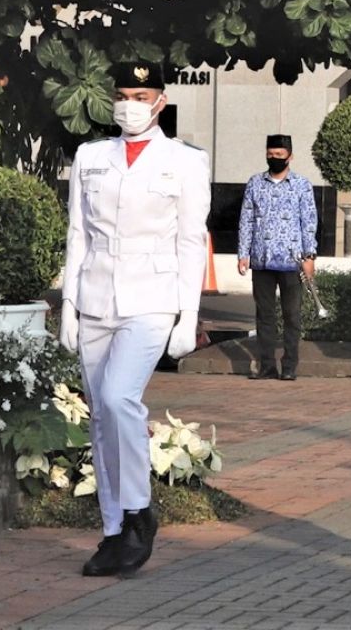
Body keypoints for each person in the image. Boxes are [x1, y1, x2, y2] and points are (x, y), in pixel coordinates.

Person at [59, 61, 211, 577]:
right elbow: (78, 233)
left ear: (161, 102)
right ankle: (111, 531)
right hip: (96, 295)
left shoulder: (186, 161)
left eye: (141, 95)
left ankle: (139, 511)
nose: (130, 104)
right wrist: (68, 303)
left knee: (119, 397)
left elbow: (191, 241)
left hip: (151, 298)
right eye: (123, 94)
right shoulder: (91, 156)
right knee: (100, 419)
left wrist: (188, 314)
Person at [237, 134, 318, 381]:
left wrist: (310, 255)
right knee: (265, 315)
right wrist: (243, 253)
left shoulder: (302, 185)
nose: (274, 159)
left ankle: (290, 366)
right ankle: (267, 365)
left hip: (292, 260)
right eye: (270, 155)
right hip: (262, 259)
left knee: (292, 314)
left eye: (279, 156)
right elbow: (246, 219)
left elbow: (309, 222)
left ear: (290, 157)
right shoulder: (255, 184)